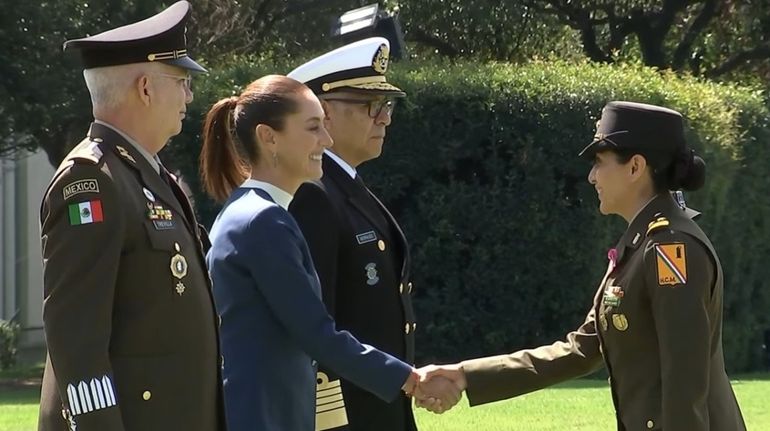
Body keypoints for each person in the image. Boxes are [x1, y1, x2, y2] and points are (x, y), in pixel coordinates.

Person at [418, 101, 747, 430]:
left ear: (635, 167)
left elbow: (685, 381)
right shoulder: (642, 242)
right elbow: (582, 349)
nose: (591, 177)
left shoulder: (669, 247)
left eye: (599, 163)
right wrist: (464, 375)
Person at [199, 75, 459, 431]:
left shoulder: (252, 211)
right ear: (268, 137)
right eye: (312, 128)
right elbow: (317, 332)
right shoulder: (263, 221)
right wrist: (410, 380)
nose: (327, 139)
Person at [37, 2, 225, 431]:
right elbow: (75, 339)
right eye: (181, 82)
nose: (189, 96)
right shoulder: (90, 181)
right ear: (145, 88)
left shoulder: (144, 176)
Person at [286, 37, 418, 431]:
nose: (385, 118)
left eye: (386, 105)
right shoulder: (314, 194)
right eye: (370, 105)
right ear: (324, 112)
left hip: (378, 407)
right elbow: (313, 326)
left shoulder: (345, 186)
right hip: (348, 415)